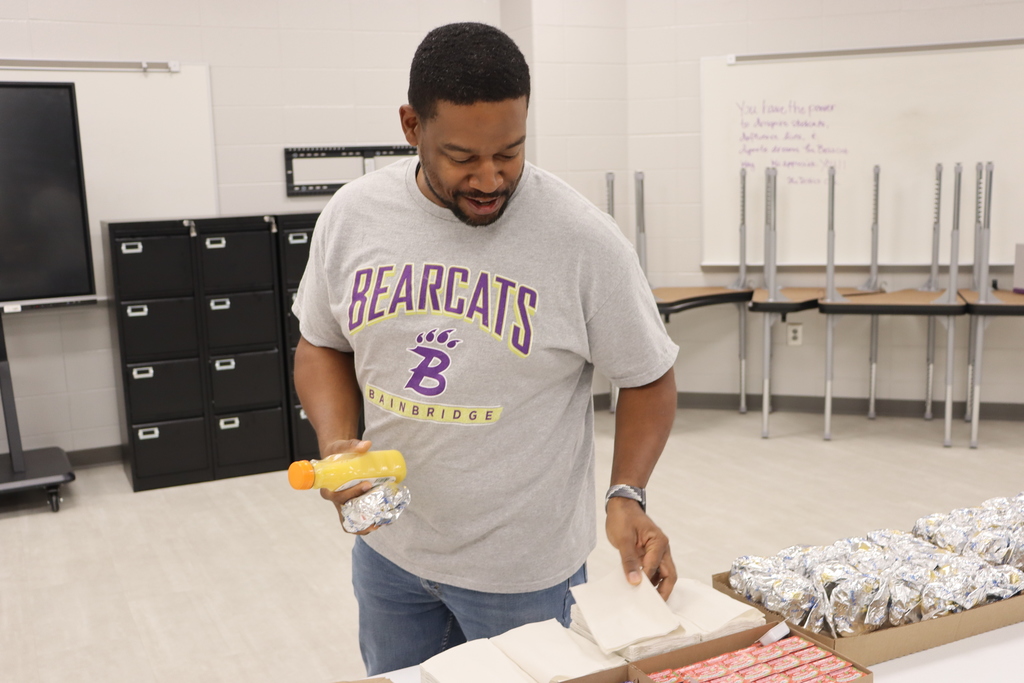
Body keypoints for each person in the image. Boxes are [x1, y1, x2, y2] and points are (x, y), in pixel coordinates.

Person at [292, 21, 680, 676]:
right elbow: (319, 343)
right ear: (412, 125)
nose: (490, 177)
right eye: (463, 156)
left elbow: (649, 376)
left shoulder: (581, 238)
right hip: (388, 554)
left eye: (510, 151)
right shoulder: (353, 215)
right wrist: (337, 444)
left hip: (524, 576)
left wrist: (626, 491)